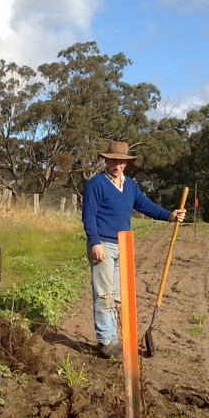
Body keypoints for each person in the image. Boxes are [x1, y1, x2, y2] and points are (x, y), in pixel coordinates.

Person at [82, 140, 185, 358]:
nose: (116, 165)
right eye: (112, 161)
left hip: (124, 245)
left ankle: (115, 338)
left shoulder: (130, 186)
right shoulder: (96, 184)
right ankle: (106, 341)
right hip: (104, 245)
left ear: (126, 164)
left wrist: (169, 215)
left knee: (118, 296)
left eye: (120, 162)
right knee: (104, 295)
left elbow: (145, 205)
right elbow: (88, 216)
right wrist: (95, 242)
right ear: (106, 160)